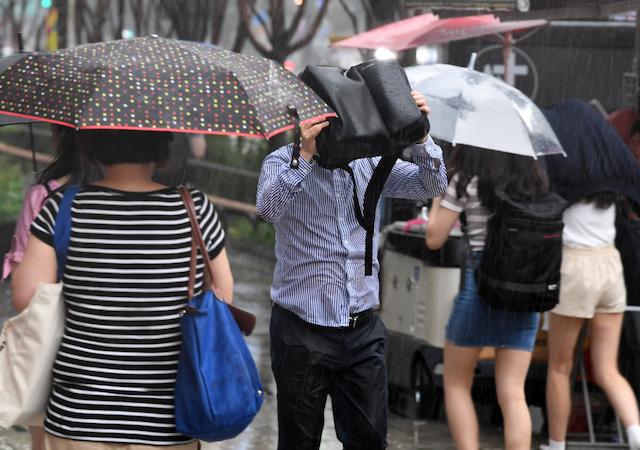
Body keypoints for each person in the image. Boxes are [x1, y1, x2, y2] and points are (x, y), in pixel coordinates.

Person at [11, 129, 233, 450]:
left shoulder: (62, 207)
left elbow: (26, 299)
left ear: (90, 148)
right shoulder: (195, 208)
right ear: (163, 151)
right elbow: (222, 299)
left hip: (79, 418)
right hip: (169, 421)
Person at [256, 91, 446, 450]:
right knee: (299, 443)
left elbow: (432, 184)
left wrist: (420, 133)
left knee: (370, 440)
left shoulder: (369, 163)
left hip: (362, 330)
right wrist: (306, 154)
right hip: (301, 331)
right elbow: (269, 208)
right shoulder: (283, 162)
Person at [425, 146, 549, 450]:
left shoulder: (467, 179)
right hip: (523, 289)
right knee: (513, 392)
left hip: (481, 287)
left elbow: (433, 238)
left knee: (456, 383)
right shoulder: (533, 180)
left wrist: (438, 191)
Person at [541, 100, 640, 450]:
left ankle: (556, 445)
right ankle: (636, 435)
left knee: (560, 367)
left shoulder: (562, 173)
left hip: (575, 268)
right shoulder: (611, 178)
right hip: (610, 267)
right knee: (608, 369)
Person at [2, 125, 101, 450]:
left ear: (61, 138)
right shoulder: (131, 203)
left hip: (47, 342)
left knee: (43, 437)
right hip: (104, 349)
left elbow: (23, 290)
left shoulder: (45, 195)